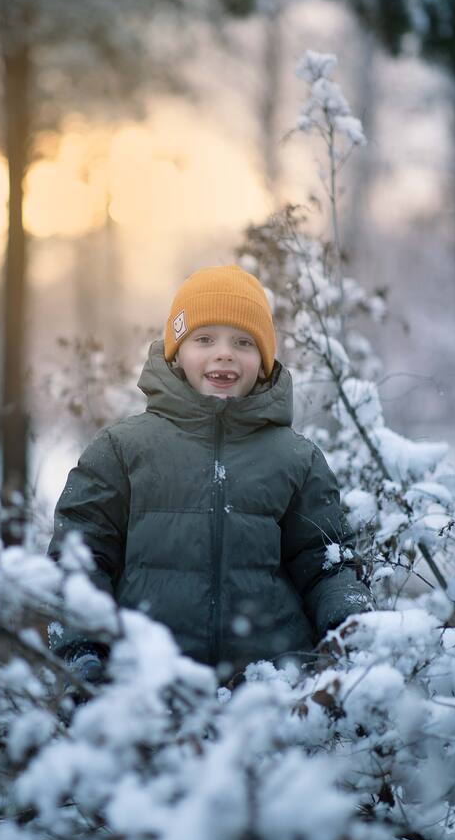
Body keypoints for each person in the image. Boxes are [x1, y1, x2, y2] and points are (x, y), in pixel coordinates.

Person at [48, 264, 372, 684]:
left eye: (243, 342)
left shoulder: (297, 459)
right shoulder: (122, 450)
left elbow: (326, 565)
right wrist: (82, 651)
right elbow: (79, 559)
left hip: (270, 687)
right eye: (204, 339)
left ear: (264, 360)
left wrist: (351, 628)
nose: (224, 353)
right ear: (176, 353)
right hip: (146, 684)